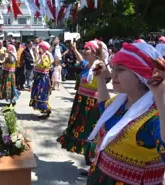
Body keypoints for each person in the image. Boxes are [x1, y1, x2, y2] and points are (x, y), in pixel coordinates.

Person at [85, 42, 165, 184]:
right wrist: (100, 78)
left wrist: (162, 95)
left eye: (121, 69)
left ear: (140, 75)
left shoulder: (153, 116)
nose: (113, 74)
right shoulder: (120, 102)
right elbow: (104, 109)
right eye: (114, 68)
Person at [57, 40, 109, 175]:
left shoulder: (99, 66)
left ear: (94, 52)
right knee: (81, 130)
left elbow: (108, 75)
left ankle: (94, 163)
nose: (83, 51)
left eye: (86, 49)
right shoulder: (87, 65)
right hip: (81, 103)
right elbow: (81, 60)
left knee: (90, 132)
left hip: (92, 105)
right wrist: (74, 49)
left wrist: (103, 58)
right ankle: (90, 160)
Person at [29, 42, 52, 117]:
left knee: (41, 94)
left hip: (43, 78)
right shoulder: (40, 56)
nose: (39, 49)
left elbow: (44, 65)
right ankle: (44, 110)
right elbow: (36, 63)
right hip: (38, 77)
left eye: (40, 47)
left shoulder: (46, 56)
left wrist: (41, 56)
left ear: (44, 49)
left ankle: (45, 110)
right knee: (36, 93)